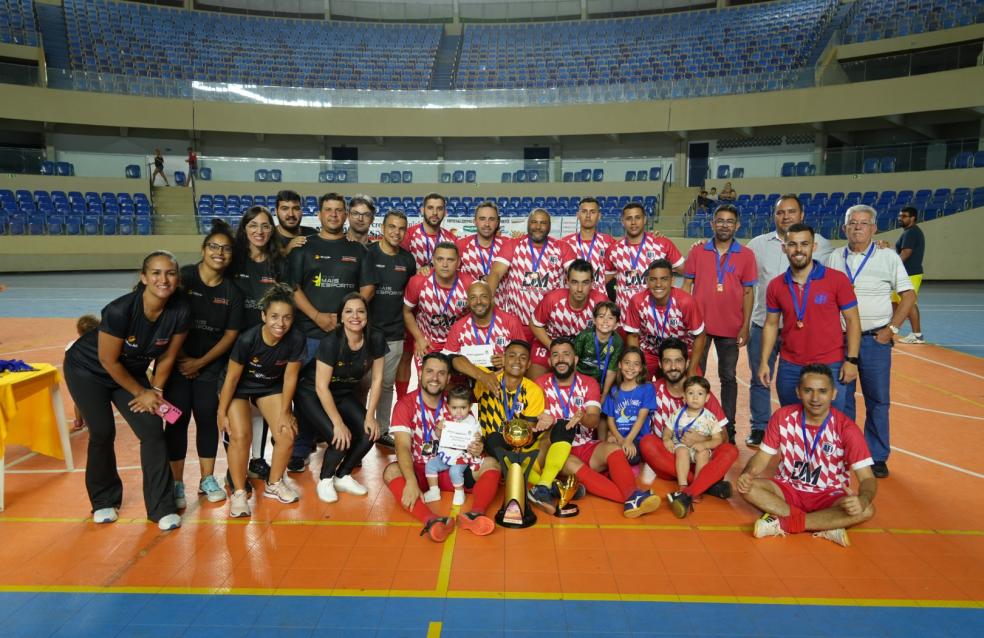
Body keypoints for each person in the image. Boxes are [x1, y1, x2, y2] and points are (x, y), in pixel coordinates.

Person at [63, 251, 190, 530]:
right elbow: (108, 360)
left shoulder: (180, 310)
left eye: (170, 273)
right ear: (144, 278)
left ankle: (161, 507)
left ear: (177, 278)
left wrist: (154, 390)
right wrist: (139, 392)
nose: (163, 279)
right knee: (103, 432)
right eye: (156, 273)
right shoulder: (120, 310)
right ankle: (104, 500)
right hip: (88, 371)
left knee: (153, 430)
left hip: (128, 372)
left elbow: (167, 357)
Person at [737, 364, 877, 547]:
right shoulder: (782, 417)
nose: (815, 398)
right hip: (787, 489)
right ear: (798, 392)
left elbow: (867, 478)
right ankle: (825, 524)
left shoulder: (846, 429)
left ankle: (786, 522)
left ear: (833, 394)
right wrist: (748, 474)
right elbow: (762, 458)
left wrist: (863, 499)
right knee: (746, 487)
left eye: (822, 391)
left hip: (829, 495)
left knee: (867, 510)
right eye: (808, 390)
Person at [287, 192, 375, 472]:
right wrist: (316, 316)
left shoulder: (358, 250)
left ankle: (344, 444)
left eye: (339, 210)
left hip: (344, 337)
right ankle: (301, 449)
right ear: (320, 214)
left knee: (343, 389)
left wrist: (347, 321)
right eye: (329, 210)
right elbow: (292, 287)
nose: (334, 215)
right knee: (305, 394)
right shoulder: (303, 247)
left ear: (346, 215)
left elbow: (368, 288)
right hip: (309, 334)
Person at [826, 205, 915, 479]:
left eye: (863, 223)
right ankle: (847, 450)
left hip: (874, 340)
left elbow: (908, 295)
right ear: (844, 228)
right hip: (840, 340)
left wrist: (890, 329)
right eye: (852, 223)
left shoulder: (887, 256)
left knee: (878, 400)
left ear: (874, 228)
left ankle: (876, 455)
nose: (857, 228)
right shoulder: (833, 257)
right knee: (842, 399)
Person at [164, 220, 243, 508]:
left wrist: (200, 362)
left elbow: (230, 335)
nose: (219, 253)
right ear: (203, 249)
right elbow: (167, 318)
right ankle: (175, 482)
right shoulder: (183, 279)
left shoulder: (232, 292)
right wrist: (182, 358)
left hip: (210, 368)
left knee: (208, 420)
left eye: (226, 249)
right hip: (176, 365)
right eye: (214, 247)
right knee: (175, 420)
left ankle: (207, 478)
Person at [745, 195, 833, 448]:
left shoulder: (822, 245)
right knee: (759, 377)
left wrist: (881, 245)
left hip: (801, 328)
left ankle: (799, 429)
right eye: (780, 212)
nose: (786, 216)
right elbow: (737, 264)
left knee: (801, 381)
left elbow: (845, 261)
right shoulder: (757, 244)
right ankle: (760, 427)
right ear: (774, 216)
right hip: (765, 323)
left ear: (801, 215)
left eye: (791, 212)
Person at [383, 353, 501, 542]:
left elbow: (472, 437)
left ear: (448, 378)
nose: (434, 378)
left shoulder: (456, 403)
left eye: (441, 373)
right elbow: (402, 447)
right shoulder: (405, 405)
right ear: (420, 373)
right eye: (429, 371)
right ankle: (432, 520)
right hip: (422, 471)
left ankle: (474, 515)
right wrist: (411, 481)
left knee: (491, 464)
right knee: (391, 471)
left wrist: (476, 448)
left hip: (455, 468)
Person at [540, 339, 662, 517]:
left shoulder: (589, 383)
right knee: (573, 464)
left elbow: (594, 421)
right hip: (557, 452)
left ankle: (630, 495)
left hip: (586, 444)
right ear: (550, 361)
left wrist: (582, 417)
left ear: (575, 359)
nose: (561, 359)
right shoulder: (540, 383)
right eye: (556, 355)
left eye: (566, 354)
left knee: (613, 449)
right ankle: (631, 497)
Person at [217, 284, 305, 518]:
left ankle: (274, 484)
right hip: (238, 387)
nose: (280, 323)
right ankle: (238, 492)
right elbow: (232, 378)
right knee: (240, 436)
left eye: (287, 317)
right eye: (274, 316)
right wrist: (221, 412)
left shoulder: (296, 339)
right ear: (263, 315)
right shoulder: (248, 339)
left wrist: (286, 411)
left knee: (287, 433)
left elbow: (290, 377)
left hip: (268, 386)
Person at [758, 223, 860, 415]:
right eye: (792, 244)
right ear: (784, 247)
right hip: (790, 365)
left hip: (830, 363)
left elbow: (853, 321)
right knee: (791, 420)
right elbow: (771, 325)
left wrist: (852, 360)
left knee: (831, 424)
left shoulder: (837, 280)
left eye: (804, 244)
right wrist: (764, 361)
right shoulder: (776, 285)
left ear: (814, 247)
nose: (798, 250)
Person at [294, 293, 385, 503]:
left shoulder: (375, 338)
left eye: (360, 311)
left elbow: (378, 379)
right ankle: (325, 480)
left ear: (367, 316)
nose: (355, 316)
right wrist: (337, 423)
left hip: (342, 392)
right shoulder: (331, 342)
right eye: (349, 311)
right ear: (341, 317)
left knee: (368, 433)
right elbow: (321, 387)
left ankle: (342, 475)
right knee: (340, 438)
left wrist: (370, 416)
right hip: (312, 393)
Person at [637, 338, 738, 518]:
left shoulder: (701, 392)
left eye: (678, 361)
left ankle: (691, 489)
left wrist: (702, 440)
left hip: (702, 458)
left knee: (730, 450)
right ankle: (706, 484)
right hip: (670, 460)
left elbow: (724, 437)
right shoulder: (651, 390)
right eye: (667, 361)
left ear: (687, 363)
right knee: (646, 443)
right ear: (660, 364)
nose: (673, 366)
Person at [681, 204, 757, 442]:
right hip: (699, 327)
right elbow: (686, 287)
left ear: (737, 225)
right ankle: (695, 422)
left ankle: (729, 427)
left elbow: (748, 293)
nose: (724, 225)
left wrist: (745, 325)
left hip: (730, 328)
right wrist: (683, 321)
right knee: (695, 375)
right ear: (712, 224)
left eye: (729, 221)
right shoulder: (697, 251)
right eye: (720, 220)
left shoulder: (746, 255)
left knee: (728, 377)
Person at [474, 340, 574, 516]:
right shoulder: (486, 380)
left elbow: (525, 432)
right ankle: (547, 486)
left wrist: (541, 425)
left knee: (565, 425)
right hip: (495, 447)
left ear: (528, 364)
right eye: (511, 356)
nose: (517, 361)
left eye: (523, 358)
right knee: (494, 437)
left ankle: (542, 487)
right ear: (503, 359)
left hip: (523, 447)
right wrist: (481, 375)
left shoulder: (532, 390)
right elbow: (454, 360)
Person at [228, 205, 285, 480]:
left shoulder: (277, 262)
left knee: (261, 404)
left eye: (265, 226)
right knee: (236, 408)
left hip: (267, 345)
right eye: (253, 225)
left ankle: (258, 458)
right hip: (235, 344)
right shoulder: (233, 261)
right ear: (244, 229)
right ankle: (233, 468)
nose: (259, 231)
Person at [396, 193, 457, 400]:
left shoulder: (451, 238)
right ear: (422, 210)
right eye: (430, 208)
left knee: (437, 357)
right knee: (405, 355)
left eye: (439, 208)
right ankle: (404, 398)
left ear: (445, 212)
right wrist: (416, 274)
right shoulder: (409, 235)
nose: (434, 212)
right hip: (409, 300)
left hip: (436, 305)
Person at [486, 209, 576, 346]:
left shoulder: (562, 247)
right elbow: (496, 273)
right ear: (528, 224)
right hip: (517, 323)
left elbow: (576, 274)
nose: (538, 227)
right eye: (534, 222)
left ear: (550, 226)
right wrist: (488, 299)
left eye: (543, 223)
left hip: (549, 325)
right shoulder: (513, 245)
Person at [366, 210, 417, 447]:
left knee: (386, 384)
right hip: (367, 332)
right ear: (383, 228)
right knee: (360, 384)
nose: (397, 232)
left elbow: (413, 293)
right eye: (392, 227)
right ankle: (359, 426)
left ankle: (383, 429)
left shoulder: (407, 260)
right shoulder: (368, 253)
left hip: (395, 332)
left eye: (401, 228)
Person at [624, 258, 706, 379]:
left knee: (694, 388)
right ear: (647, 281)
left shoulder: (685, 302)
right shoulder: (637, 301)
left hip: (680, 354)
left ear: (672, 280)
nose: (658, 284)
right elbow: (632, 335)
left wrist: (692, 369)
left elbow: (700, 335)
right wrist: (637, 364)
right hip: (650, 353)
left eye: (664, 279)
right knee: (633, 381)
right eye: (653, 279)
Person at [529, 259, 609, 379]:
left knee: (587, 384)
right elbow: (534, 324)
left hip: (582, 351)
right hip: (549, 343)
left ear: (592, 282)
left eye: (585, 282)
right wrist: (552, 347)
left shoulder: (600, 302)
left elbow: (609, 332)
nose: (580, 289)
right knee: (535, 382)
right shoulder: (553, 299)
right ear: (567, 281)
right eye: (575, 282)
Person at [604, 202, 683, 321]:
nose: (633, 222)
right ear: (622, 221)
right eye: (629, 218)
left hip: (657, 317)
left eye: (638, 218)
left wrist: (700, 247)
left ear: (645, 219)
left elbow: (688, 271)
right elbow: (601, 282)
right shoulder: (613, 250)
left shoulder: (662, 244)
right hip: (625, 318)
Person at [444, 280, 526, 393]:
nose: (478, 301)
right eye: (473, 297)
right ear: (467, 301)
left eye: (483, 296)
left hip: (505, 387)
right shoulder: (459, 327)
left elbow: (525, 356)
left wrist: (508, 360)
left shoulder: (510, 322)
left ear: (492, 298)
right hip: (469, 387)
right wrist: (481, 375)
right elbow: (446, 359)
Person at [403, 242, 473, 370]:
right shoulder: (418, 281)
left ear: (458, 263)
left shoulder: (468, 283)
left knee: (455, 387)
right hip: (427, 342)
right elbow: (406, 312)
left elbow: (475, 316)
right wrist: (419, 338)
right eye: (440, 259)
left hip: (457, 343)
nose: (445, 264)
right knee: (429, 384)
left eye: (450, 260)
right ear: (433, 261)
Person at [662, 376, 725, 511]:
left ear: (707, 397)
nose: (695, 397)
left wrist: (705, 445)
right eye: (691, 393)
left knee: (703, 454)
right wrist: (666, 439)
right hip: (682, 446)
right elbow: (667, 430)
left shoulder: (710, 417)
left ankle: (697, 487)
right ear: (684, 396)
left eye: (700, 394)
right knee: (682, 451)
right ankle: (683, 485)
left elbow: (718, 439)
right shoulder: (677, 414)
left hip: (700, 449)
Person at [422, 385, 481, 506]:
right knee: (430, 465)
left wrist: (477, 437)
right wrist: (439, 428)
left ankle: (459, 492)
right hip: (446, 454)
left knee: (454, 471)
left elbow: (478, 438)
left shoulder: (472, 421)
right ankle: (434, 491)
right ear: (448, 407)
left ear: (470, 407)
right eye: (454, 408)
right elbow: (438, 436)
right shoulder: (445, 419)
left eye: (463, 407)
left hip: (462, 456)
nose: (458, 411)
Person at [601, 347, 656, 466]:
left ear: (641, 368)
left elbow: (641, 418)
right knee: (608, 452)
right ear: (620, 365)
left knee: (629, 456)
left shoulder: (647, 388)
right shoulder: (614, 390)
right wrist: (620, 439)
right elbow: (610, 420)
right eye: (627, 363)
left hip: (637, 439)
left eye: (636, 364)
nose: (631, 368)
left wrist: (628, 441)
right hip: (619, 437)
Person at [572, 301, 622, 400]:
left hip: (601, 383)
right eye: (601, 316)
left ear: (617, 324)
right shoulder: (584, 336)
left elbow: (611, 370)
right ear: (594, 320)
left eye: (610, 318)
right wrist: (574, 385)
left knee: (615, 396)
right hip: (579, 379)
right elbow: (573, 361)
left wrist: (604, 394)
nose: (605, 321)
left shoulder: (617, 342)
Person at [562, 197, 614, 287]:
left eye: (592, 212)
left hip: (599, 298)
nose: (588, 215)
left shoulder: (609, 242)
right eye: (584, 211)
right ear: (578, 215)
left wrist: (595, 285)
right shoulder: (565, 243)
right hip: (572, 298)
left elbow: (613, 271)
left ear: (599, 216)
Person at [894, 205, 926, 344]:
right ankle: (890, 329)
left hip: (910, 274)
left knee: (909, 303)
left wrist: (892, 267)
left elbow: (905, 253)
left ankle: (917, 335)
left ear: (913, 218)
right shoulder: (909, 232)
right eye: (900, 216)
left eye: (904, 216)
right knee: (894, 302)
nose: (901, 219)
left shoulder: (911, 233)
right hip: (906, 273)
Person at [456, 201, 506, 283]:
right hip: (469, 295)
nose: (487, 224)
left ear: (497, 222)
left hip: (501, 296)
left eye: (492, 219)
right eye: (482, 219)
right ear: (474, 221)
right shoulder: (461, 245)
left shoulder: (507, 245)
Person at [67, 314, 100, 431]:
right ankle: (95, 422)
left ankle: (79, 422)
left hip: (79, 378)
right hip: (96, 378)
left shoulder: (71, 345)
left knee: (78, 400)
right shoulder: (102, 344)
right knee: (98, 400)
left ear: (78, 331)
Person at [274, 189, 317, 255]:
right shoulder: (268, 237)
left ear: (301, 211)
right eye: (285, 209)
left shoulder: (314, 235)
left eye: (296, 208)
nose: (291, 214)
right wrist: (286, 251)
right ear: (276, 212)